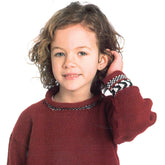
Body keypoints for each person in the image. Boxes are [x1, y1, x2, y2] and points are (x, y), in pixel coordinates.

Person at [7, 2, 156, 165]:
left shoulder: (109, 111)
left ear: (102, 60)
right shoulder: (30, 118)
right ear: (49, 58)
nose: (69, 62)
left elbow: (137, 122)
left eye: (82, 53)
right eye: (59, 53)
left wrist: (116, 76)